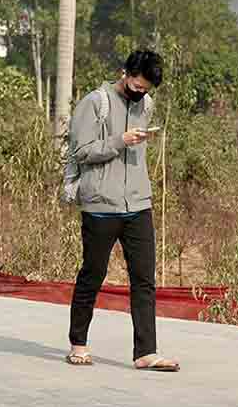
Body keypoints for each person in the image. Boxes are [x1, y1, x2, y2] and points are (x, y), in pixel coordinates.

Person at [64, 49, 179, 372]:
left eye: (146, 90)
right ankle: (79, 343)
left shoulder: (147, 104)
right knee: (92, 275)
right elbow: (82, 151)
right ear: (124, 72)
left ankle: (146, 352)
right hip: (101, 206)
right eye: (137, 86)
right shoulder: (95, 103)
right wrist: (120, 140)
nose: (140, 93)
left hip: (138, 204)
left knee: (144, 279)